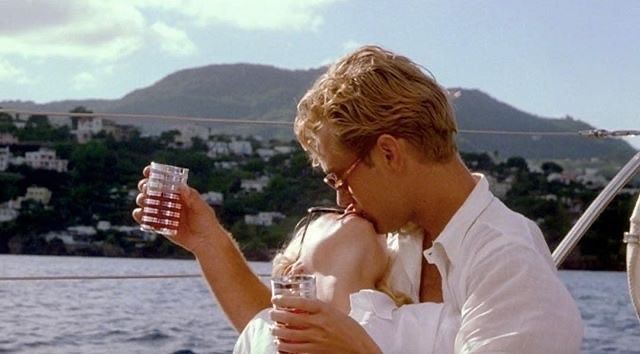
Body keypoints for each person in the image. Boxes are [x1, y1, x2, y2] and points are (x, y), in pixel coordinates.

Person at [266, 45, 584, 353]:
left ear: (389, 153)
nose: (340, 198)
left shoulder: (510, 264)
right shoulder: (388, 246)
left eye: (340, 178)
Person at [233, 209, 412, 353]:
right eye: (335, 215)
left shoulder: (421, 324)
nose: (351, 208)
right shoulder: (260, 332)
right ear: (294, 272)